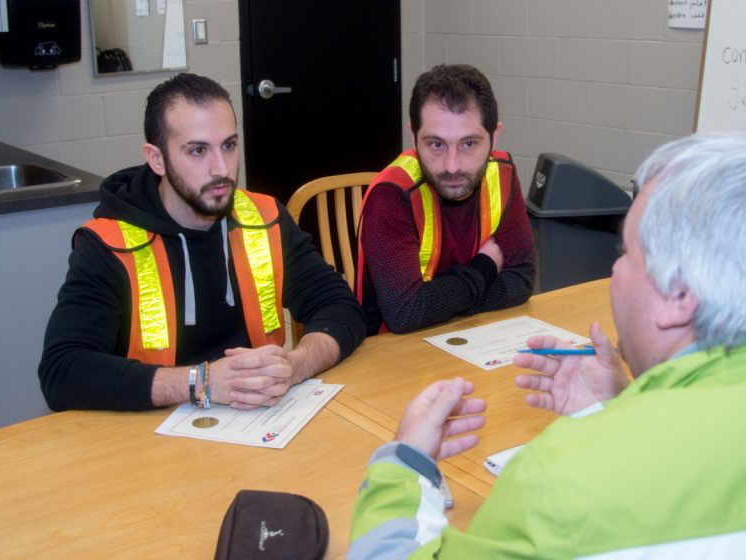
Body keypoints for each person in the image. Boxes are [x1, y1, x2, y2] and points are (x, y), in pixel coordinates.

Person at [348, 134, 746, 558]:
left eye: (627, 253)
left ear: (680, 296)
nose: (614, 267)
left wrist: (402, 464)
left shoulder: (559, 481)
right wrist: (621, 408)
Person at [39, 73, 366, 412]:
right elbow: (62, 371)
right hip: (149, 435)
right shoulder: (109, 244)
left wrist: (295, 366)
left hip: (259, 421)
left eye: (229, 145)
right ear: (157, 159)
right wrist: (200, 382)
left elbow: (341, 309)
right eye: (197, 150)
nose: (221, 168)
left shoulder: (263, 217)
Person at [356, 64, 534, 335]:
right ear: (414, 138)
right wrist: (484, 268)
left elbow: (521, 279)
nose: (452, 166)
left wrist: (439, 302)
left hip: (467, 337)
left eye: (469, 144)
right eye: (436, 144)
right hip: (392, 354)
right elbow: (405, 314)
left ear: (494, 137)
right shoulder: (392, 194)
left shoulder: (502, 174)